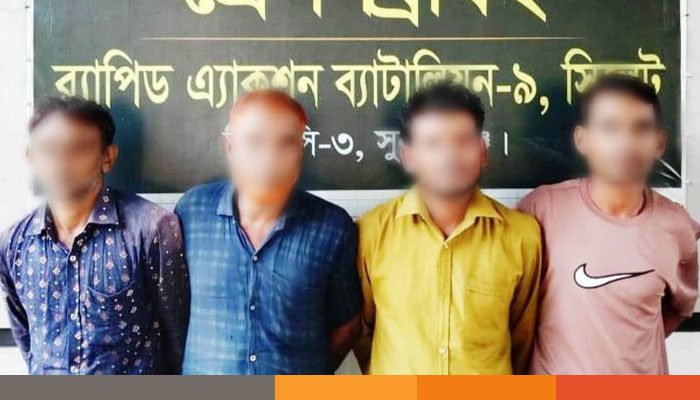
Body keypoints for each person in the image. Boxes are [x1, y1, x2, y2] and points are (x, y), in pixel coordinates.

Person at [355, 82, 542, 375]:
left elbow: (521, 338)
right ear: (408, 157)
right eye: (433, 144)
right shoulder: (371, 232)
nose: (449, 156)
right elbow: (362, 332)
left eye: (463, 141)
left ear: (483, 152)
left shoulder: (522, 236)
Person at [518, 74, 699, 374]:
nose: (625, 143)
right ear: (583, 140)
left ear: (659, 143)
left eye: (640, 128)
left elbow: (677, 309)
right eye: (610, 128)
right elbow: (516, 312)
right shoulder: (541, 210)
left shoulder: (677, 226)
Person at [175, 90, 362, 375]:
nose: (269, 158)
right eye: (254, 141)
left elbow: (348, 324)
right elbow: (169, 312)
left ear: (301, 149)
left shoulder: (332, 227)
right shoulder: (192, 212)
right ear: (230, 147)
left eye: (286, 143)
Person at [0, 97, 190, 375]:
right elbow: (27, 339)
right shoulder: (14, 243)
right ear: (31, 157)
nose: (61, 162)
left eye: (78, 148)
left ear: (107, 157)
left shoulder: (151, 229)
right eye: (48, 149)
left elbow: (178, 336)